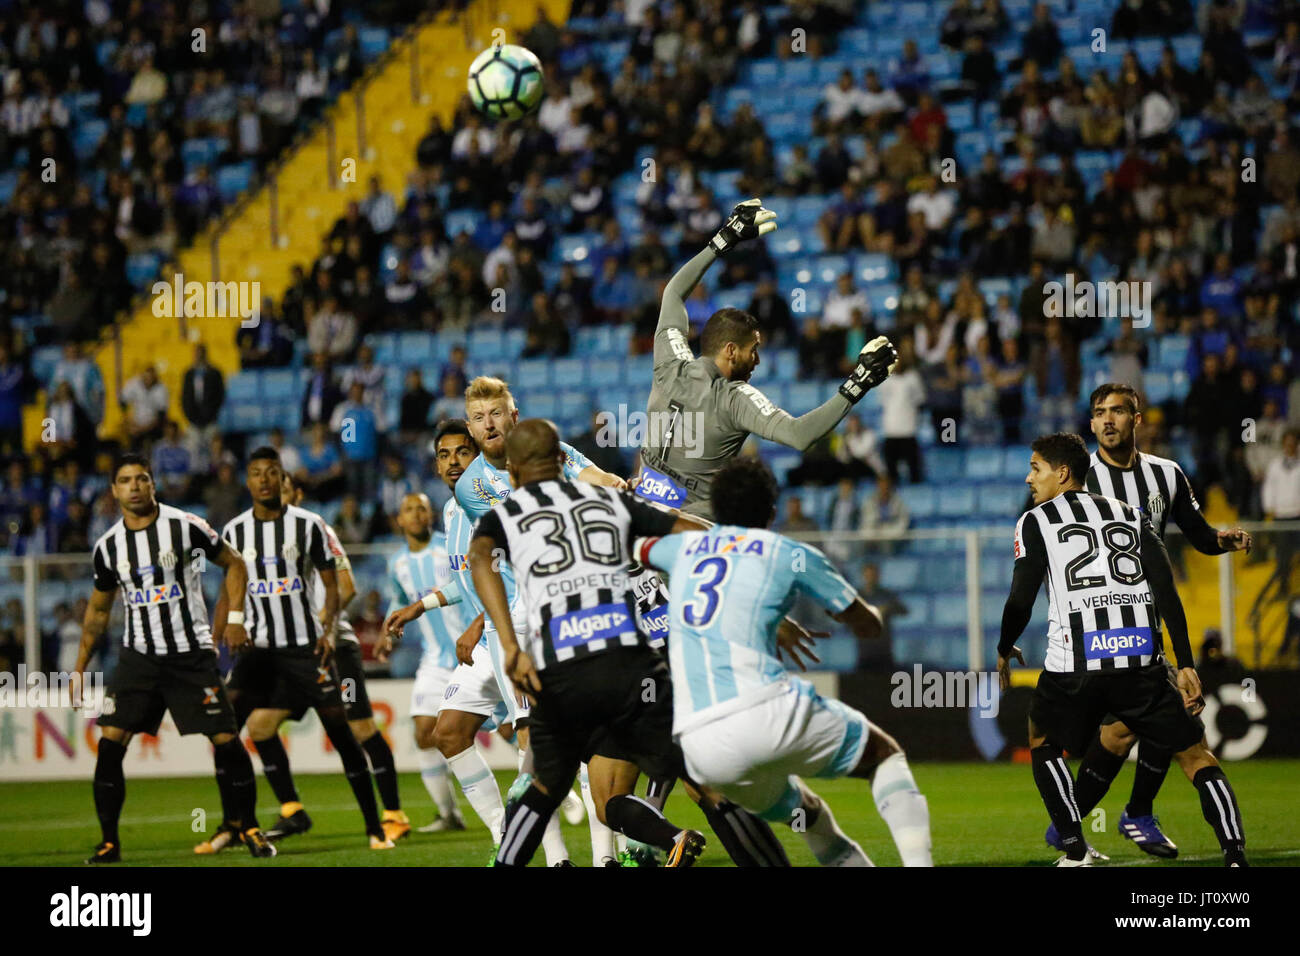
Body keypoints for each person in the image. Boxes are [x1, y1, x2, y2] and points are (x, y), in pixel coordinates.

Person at [639, 457, 933, 866]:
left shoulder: (680, 549)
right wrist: (878, 612)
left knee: (809, 816)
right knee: (883, 755)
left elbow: (636, 544)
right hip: (766, 711)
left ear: (716, 510)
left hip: (703, 750)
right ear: (773, 512)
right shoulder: (788, 552)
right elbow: (866, 626)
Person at [998, 433, 1248, 867]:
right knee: (1195, 754)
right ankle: (1235, 854)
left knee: (1043, 739)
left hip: (1075, 664)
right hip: (1139, 660)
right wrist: (1185, 663)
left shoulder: (1035, 520)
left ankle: (1075, 850)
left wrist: (1004, 646)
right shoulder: (1132, 515)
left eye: (1035, 468)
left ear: (1061, 474)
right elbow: (1166, 589)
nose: (1028, 478)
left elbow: (1021, 598)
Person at [471, 420, 708, 867]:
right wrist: (746, 550)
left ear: (514, 471)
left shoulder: (508, 512)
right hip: (632, 668)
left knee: (538, 791)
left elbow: (479, 558)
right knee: (625, 795)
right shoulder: (608, 500)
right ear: (562, 462)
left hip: (565, 670)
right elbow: (687, 528)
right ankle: (672, 835)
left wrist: (508, 644)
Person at [385, 416, 586, 864]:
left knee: (529, 740)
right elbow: (467, 576)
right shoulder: (453, 511)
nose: (453, 462)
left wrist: (479, 621)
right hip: (485, 638)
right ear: (436, 466)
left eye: (462, 452)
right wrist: (422, 606)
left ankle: (567, 854)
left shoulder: (493, 501)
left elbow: (508, 569)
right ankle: (503, 831)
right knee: (448, 733)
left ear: (477, 457)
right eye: (444, 455)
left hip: (517, 632)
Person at [1064, 384, 1252, 859]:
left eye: (1118, 412)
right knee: (1154, 727)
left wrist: (1222, 541)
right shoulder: (1079, 479)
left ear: (1137, 419)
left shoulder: (1165, 475)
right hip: (1097, 628)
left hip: (1147, 623)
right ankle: (1124, 817)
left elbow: (1198, 535)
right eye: (1100, 413)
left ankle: (1087, 824)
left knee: (1127, 728)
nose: (1108, 420)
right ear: (1091, 424)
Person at [636, 198, 897, 518]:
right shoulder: (733, 400)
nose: (757, 360)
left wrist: (722, 240)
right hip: (690, 542)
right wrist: (857, 384)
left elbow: (673, 292)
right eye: (753, 350)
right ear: (730, 350)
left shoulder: (669, 363)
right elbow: (799, 436)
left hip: (641, 524)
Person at [74, 452, 275, 862]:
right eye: (125, 480)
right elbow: (97, 612)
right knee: (110, 743)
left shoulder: (185, 526)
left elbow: (234, 564)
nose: (134, 486)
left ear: (153, 484)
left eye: (141, 479)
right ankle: (110, 842)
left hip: (190, 654)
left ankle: (248, 826)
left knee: (225, 739)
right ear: (114, 490)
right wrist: (79, 668)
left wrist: (235, 619)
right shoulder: (108, 546)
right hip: (139, 657)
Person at [215, 447, 392, 850]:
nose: (264, 480)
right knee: (225, 729)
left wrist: (327, 633)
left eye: (272, 473)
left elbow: (333, 588)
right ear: (248, 481)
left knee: (343, 734)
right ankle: (240, 824)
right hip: (259, 650)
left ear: (283, 479)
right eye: (256, 473)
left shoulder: (309, 525)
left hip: (304, 650)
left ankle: (375, 827)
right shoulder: (235, 531)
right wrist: (231, 623)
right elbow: (232, 582)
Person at [254, 472, 410, 843]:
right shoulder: (261, 538)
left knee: (361, 728)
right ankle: (293, 811)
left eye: (284, 486)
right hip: (293, 656)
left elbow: (348, 586)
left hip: (335, 649)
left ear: (296, 492)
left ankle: (393, 814)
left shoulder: (316, 528)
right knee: (260, 725)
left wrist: (319, 624)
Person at [377, 488, 471, 833]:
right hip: (434, 660)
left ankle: (550, 791)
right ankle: (449, 815)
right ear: (399, 519)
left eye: (422, 508)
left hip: (472, 654)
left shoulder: (449, 548)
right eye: (409, 509)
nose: (416, 514)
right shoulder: (396, 563)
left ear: (431, 515)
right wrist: (388, 633)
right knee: (422, 732)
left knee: (507, 730)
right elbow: (400, 600)